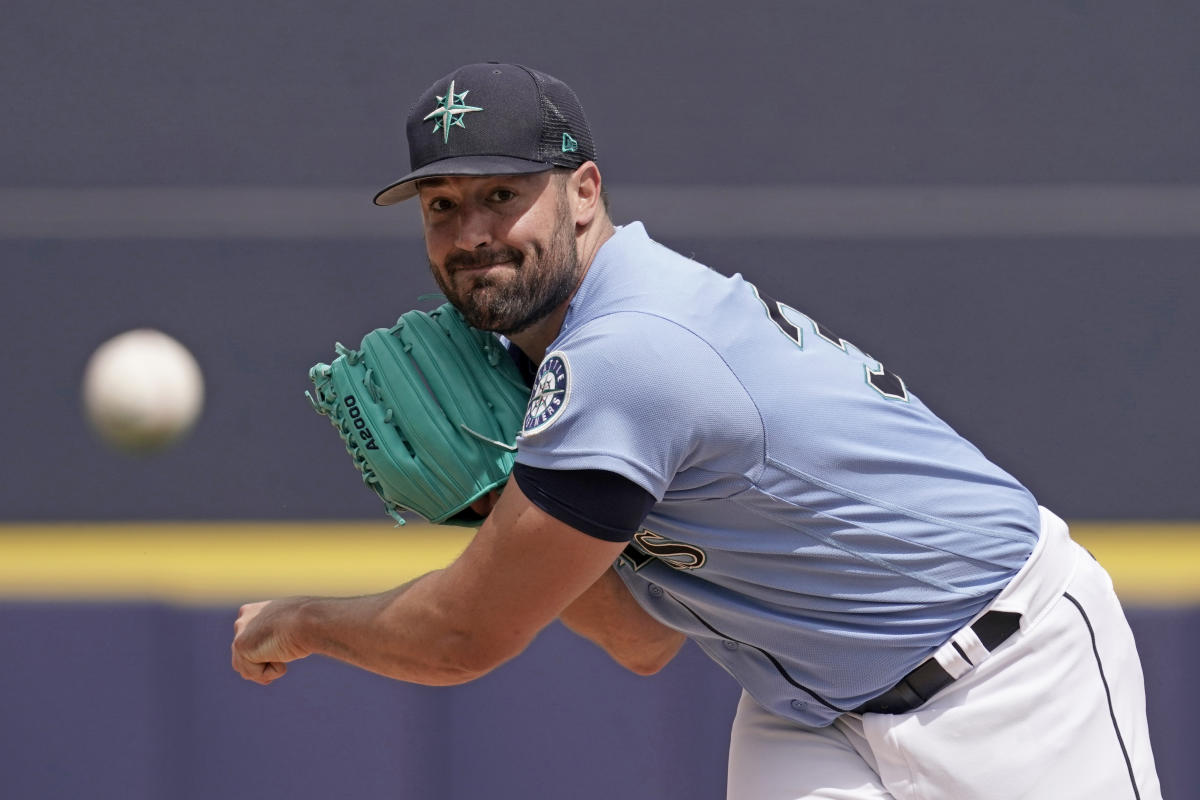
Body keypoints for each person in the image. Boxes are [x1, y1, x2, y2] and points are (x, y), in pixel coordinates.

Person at [231, 63, 1161, 799]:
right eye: (443, 206)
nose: (472, 231)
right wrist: (494, 504)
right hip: (808, 709)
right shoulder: (563, 359)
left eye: (501, 195)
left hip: (1009, 669)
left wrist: (300, 622)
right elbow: (642, 639)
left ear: (582, 191)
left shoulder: (628, 354)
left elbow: (463, 640)